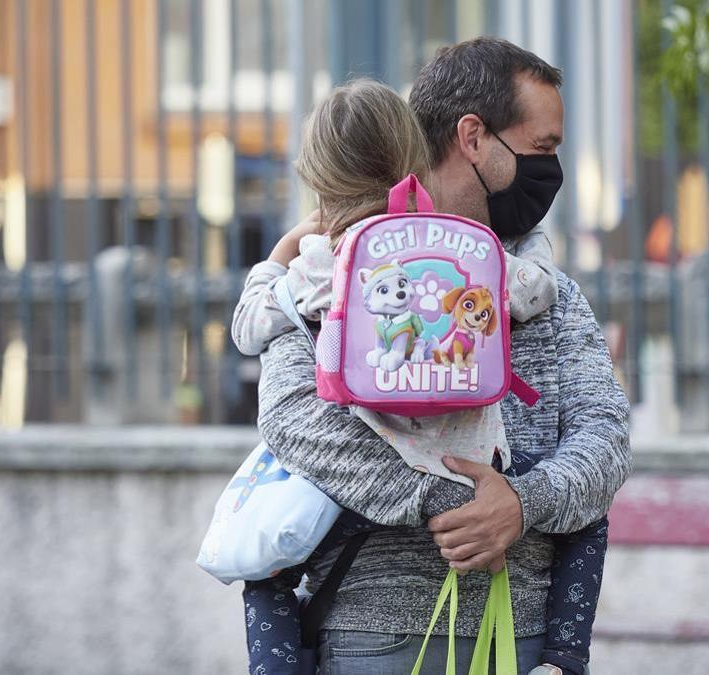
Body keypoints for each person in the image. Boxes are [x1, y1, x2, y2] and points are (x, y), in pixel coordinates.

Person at [254, 39, 630, 674]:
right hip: (373, 638)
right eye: (542, 150)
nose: (551, 172)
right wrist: (440, 499)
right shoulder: (345, 267)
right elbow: (291, 416)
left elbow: (606, 438)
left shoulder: (549, 294)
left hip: (523, 640)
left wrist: (519, 503)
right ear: (474, 137)